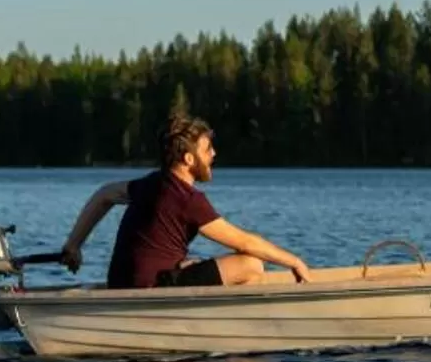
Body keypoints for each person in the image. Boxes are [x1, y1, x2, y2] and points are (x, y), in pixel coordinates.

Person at [58, 114, 312, 290]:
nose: (214, 154)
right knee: (251, 264)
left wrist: (73, 245)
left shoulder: (150, 184)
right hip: (151, 289)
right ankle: (228, 334)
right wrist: (294, 261)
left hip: (122, 284)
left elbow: (104, 194)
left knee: (202, 264)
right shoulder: (189, 200)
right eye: (207, 150)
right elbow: (245, 242)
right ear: (189, 160)